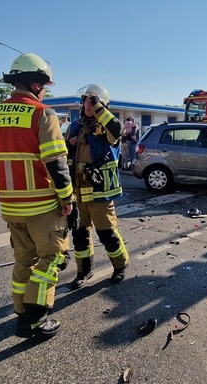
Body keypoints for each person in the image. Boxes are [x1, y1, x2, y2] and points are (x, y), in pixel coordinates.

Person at [0, 53, 74, 339]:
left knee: (24, 260)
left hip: (11, 207)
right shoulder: (42, 113)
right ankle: (35, 318)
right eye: (45, 85)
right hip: (43, 206)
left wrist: (7, 185)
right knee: (54, 259)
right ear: (35, 83)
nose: (45, 91)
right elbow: (56, 163)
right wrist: (67, 199)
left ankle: (21, 313)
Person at [66, 83, 129, 289]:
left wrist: (99, 107)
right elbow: (63, 155)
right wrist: (69, 145)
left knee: (107, 234)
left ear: (102, 104)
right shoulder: (74, 127)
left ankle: (120, 267)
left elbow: (117, 131)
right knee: (80, 235)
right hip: (77, 192)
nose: (87, 104)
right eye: (85, 100)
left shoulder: (107, 125)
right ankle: (84, 272)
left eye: (92, 101)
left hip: (100, 191)